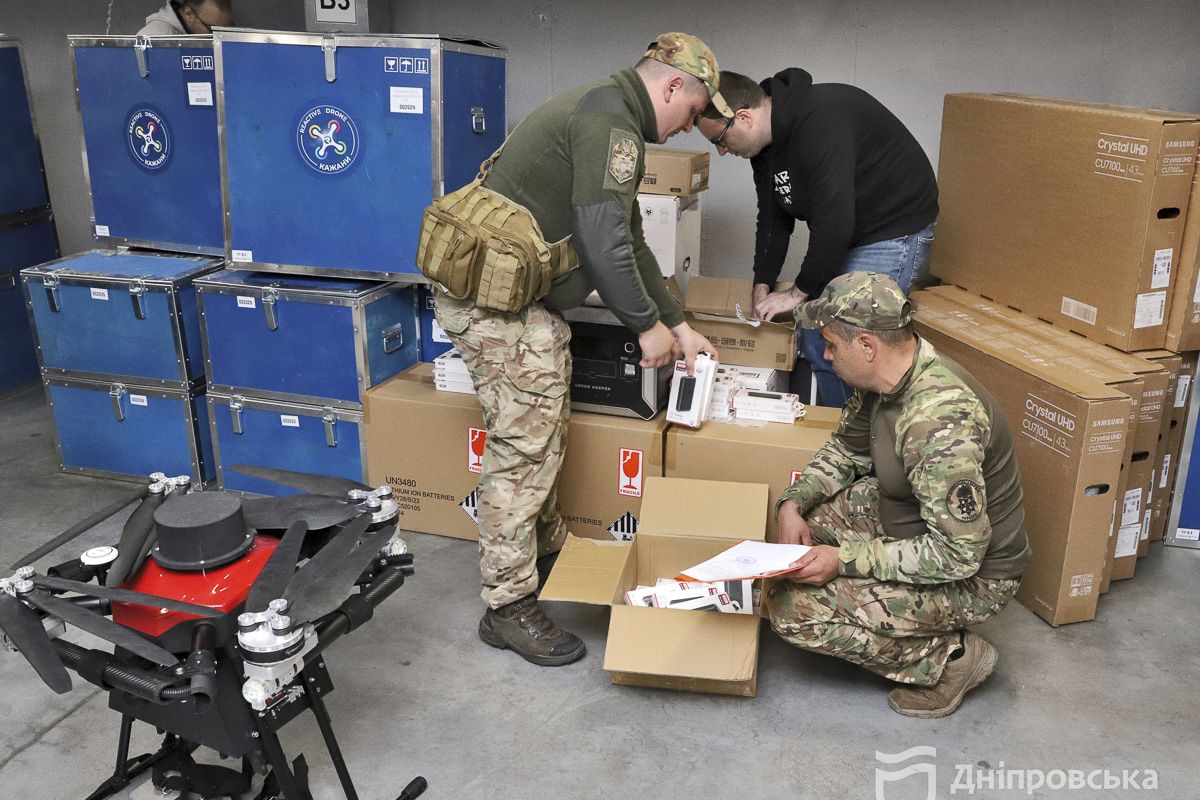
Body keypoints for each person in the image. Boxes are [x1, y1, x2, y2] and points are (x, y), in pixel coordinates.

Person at [431, 33, 730, 667]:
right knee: (523, 443)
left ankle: (542, 558)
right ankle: (507, 606)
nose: (688, 131)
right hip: (488, 303)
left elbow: (629, 235)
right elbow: (601, 241)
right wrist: (644, 326)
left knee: (543, 426)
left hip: (517, 300)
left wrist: (675, 323)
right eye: (691, 112)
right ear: (672, 86)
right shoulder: (612, 124)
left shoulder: (608, 113)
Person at [765, 272, 1031, 718]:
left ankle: (951, 659)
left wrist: (845, 559)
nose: (825, 356)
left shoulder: (937, 420)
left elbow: (958, 555)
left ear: (866, 345)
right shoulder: (884, 378)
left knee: (793, 608)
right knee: (806, 537)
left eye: (831, 345)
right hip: (910, 516)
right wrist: (793, 503)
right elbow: (846, 450)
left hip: (975, 575)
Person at [696, 70, 938, 408]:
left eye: (719, 139)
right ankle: (838, 435)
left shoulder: (819, 120)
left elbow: (834, 220)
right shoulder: (765, 149)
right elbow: (773, 218)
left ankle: (858, 449)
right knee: (815, 335)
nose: (721, 151)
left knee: (846, 339)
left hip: (895, 229)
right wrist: (761, 283)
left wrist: (798, 293)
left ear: (743, 117)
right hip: (852, 232)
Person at [139, 0, 234, 36]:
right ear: (189, 14)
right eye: (213, 30)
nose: (221, 37)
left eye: (227, 29)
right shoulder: (155, 40)